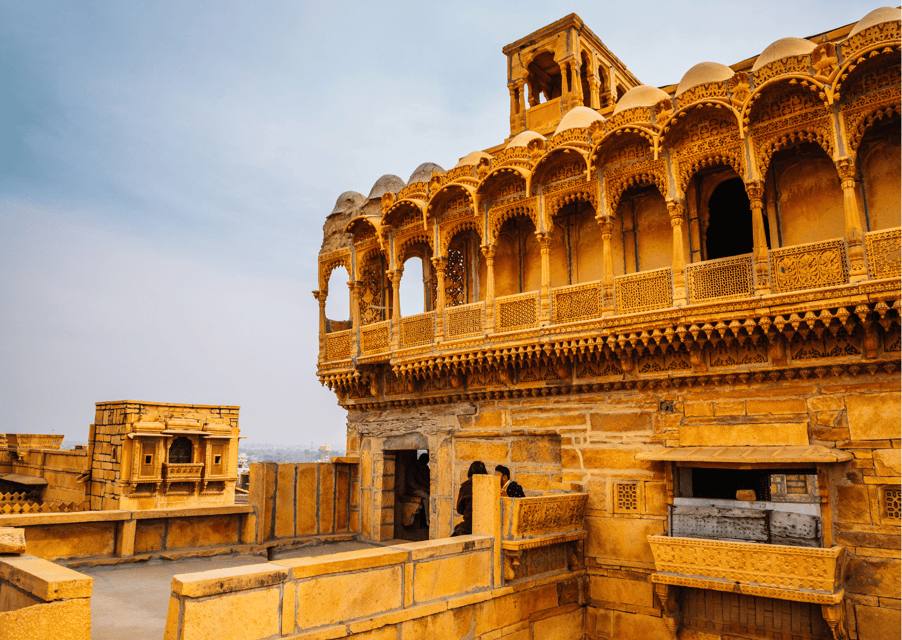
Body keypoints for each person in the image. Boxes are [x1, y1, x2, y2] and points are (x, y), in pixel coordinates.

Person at [452, 461, 486, 536]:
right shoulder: (489, 486)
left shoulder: (465, 487)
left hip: (469, 525)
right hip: (485, 525)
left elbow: (460, 510)